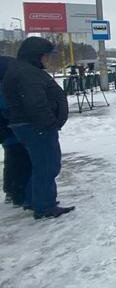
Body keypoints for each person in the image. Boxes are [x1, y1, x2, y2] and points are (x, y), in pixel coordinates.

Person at [2, 37, 73, 219]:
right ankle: (45, 206)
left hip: (30, 125)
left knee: (42, 165)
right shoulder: (27, 73)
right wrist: (49, 124)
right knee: (47, 166)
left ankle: (33, 199)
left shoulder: (23, 70)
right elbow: (36, 103)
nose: (48, 60)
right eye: (46, 56)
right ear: (35, 56)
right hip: (37, 127)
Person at [1, 56, 31, 207]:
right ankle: (18, 193)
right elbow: (7, 107)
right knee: (19, 158)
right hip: (11, 127)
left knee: (12, 157)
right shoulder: (6, 82)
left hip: (8, 128)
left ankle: (10, 190)